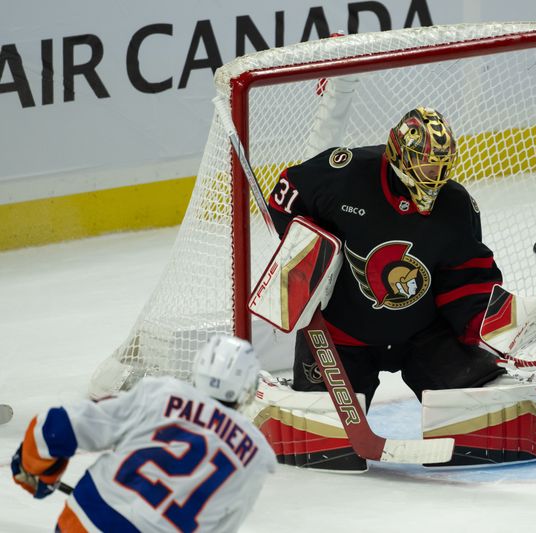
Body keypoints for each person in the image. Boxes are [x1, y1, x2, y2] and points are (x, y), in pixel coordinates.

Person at [267, 106, 506, 409]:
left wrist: (494, 327)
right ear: (400, 154)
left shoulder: (456, 206)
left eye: (442, 166)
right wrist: (308, 250)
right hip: (339, 337)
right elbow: (285, 195)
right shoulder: (346, 175)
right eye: (428, 165)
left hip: (424, 336)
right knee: (329, 446)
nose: (437, 176)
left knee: (481, 410)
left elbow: (466, 280)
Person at [11, 334, 276, 532]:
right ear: (248, 388)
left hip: (86, 521)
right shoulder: (257, 456)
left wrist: (36, 468)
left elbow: (61, 426)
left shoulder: (162, 393)